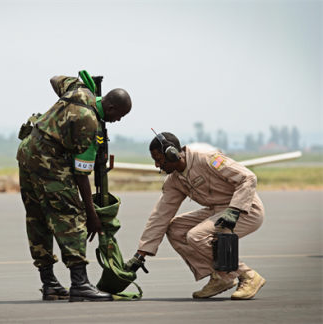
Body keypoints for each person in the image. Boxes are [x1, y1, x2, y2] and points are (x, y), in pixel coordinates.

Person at [17, 74, 132, 302]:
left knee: (38, 218)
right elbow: (81, 176)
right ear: (108, 107)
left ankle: (49, 284)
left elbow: (54, 79)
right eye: (118, 116)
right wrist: (91, 215)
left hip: (27, 153)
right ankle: (79, 284)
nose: (118, 121)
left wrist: (81, 90)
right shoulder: (90, 125)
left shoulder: (78, 90)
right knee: (71, 218)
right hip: (49, 163)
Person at [126, 132, 266, 300]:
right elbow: (160, 216)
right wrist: (140, 255)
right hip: (218, 211)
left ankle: (248, 276)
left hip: (246, 209)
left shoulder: (209, 159)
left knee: (196, 235)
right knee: (175, 228)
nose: (157, 165)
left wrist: (235, 208)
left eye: (158, 159)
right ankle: (219, 277)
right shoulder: (174, 181)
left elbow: (248, 178)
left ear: (172, 154)